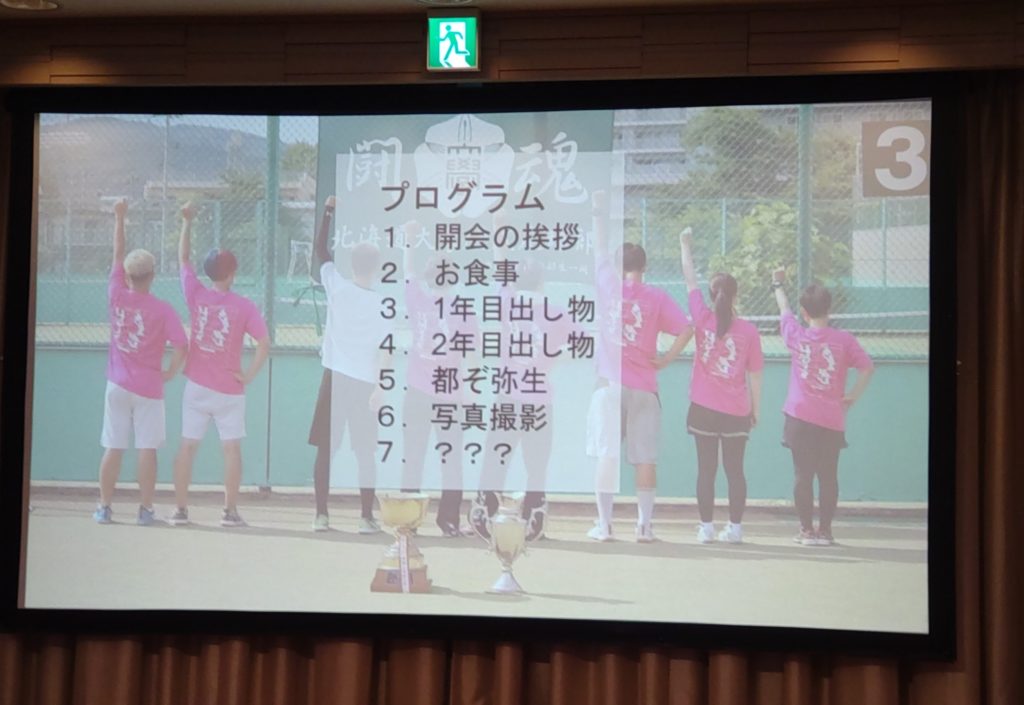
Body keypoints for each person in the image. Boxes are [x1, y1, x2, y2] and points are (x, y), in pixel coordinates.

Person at [586, 192, 693, 543]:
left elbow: (600, 248)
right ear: (644, 268)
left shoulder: (607, 283)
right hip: (645, 387)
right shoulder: (657, 297)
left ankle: (605, 525)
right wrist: (666, 359)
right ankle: (644, 526)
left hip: (609, 385)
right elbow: (687, 328)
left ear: (619, 267)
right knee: (645, 459)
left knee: (606, 456)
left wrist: (598, 212)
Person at [169, 202, 270, 528]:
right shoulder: (244, 305)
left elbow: (183, 259)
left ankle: (180, 510)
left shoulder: (196, 294)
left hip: (197, 385)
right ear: (233, 273)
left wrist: (187, 222)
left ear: (210, 273)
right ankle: (229, 511)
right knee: (231, 450)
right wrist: (248, 375)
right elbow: (264, 343)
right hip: (229, 388)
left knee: (187, 447)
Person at [94, 198, 187, 525]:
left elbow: (117, 253)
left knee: (113, 447)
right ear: (153, 275)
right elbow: (181, 345)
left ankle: (104, 508)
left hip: (117, 384)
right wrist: (170, 371)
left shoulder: (115, 293)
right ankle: (145, 510)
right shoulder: (163, 309)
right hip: (149, 387)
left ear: (127, 275)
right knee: (147, 449)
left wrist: (120, 217)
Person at [771, 268, 875, 546]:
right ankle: (826, 531)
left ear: (804, 313)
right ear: (829, 308)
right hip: (831, 419)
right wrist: (852, 396)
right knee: (828, 476)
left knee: (802, 474)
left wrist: (777, 284)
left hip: (799, 417)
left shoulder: (796, 335)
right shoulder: (845, 340)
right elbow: (867, 367)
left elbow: (784, 309)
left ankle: (806, 531)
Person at [308, 196, 391, 534]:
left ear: (352, 264)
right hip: (363, 383)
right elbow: (385, 351)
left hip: (335, 379)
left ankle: (321, 515)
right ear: (376, 267)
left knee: (326, 450)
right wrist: (381, 387)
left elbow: (320, 250)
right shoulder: (382, 305)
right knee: (365, 453)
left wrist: (328, 212)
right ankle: (365, 517)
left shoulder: (336, 285)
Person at [677, 227, 764, 544]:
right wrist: (755, 409)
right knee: (735, 470)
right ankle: (736, 529)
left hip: (703, 407)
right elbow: (755, 374)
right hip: (736, 410)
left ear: (712, 296)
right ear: (735, 296)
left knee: (706, 469)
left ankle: (706, 528)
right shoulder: (749, 331)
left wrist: (684, 245)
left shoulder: (701, 318)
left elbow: (689, 279)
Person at [400, 221, 475, 537]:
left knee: (413, 456)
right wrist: (470, 390)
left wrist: (409, 241)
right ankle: (449, 521)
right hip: (449, 392)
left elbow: (408, 272)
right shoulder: (464, 309)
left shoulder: (417, 298)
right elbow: (471, 353)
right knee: (451, 459)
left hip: (418, 390)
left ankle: (408, 520)